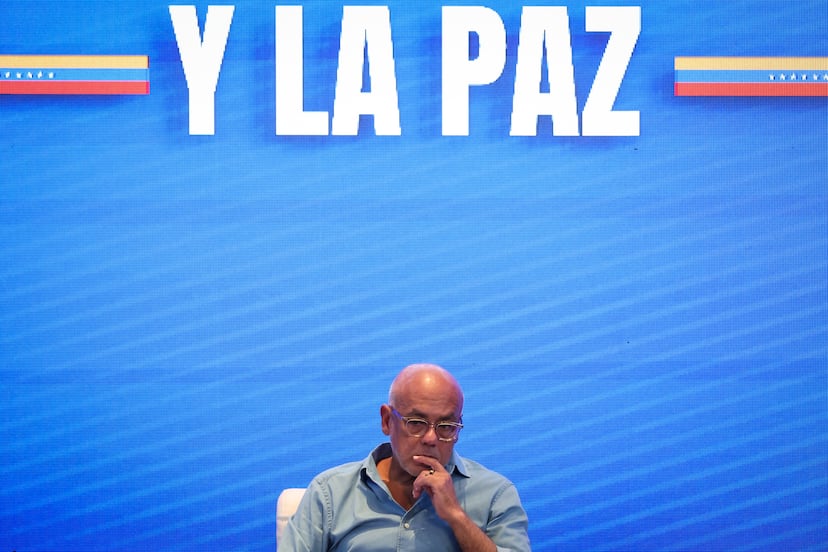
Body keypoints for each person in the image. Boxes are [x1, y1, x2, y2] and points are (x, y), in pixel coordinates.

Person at [279, 363, 531, 551]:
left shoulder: (495, 494)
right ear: (387, 421)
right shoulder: (330, 492)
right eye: (416, 423)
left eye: (446, 426)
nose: (431, 438)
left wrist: (456, 517)